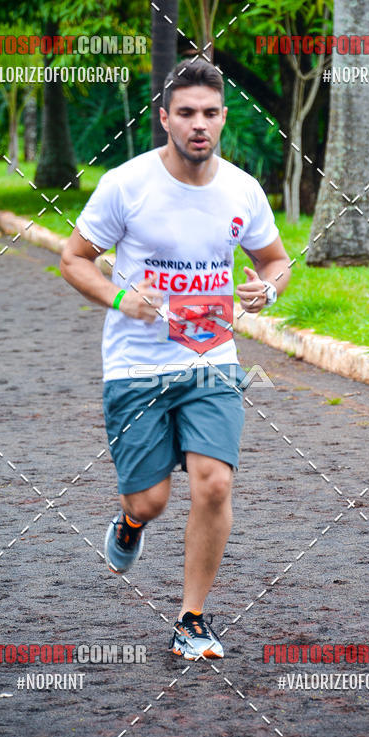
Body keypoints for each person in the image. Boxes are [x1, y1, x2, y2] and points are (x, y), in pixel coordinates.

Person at [60, 58, 290, 660]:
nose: (199, 125)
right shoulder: (126, 185)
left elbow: (276, 260)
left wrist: (269, 289)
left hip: (211, 360)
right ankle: (130, 523)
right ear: (164, 118)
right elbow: (73, 259)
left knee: (214, 484)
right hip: (135, 367)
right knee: (151, 500)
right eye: (186, 113)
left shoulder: (243, 189)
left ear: (222, 119)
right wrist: (120, 297)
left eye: (210, 114)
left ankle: (192, 619)